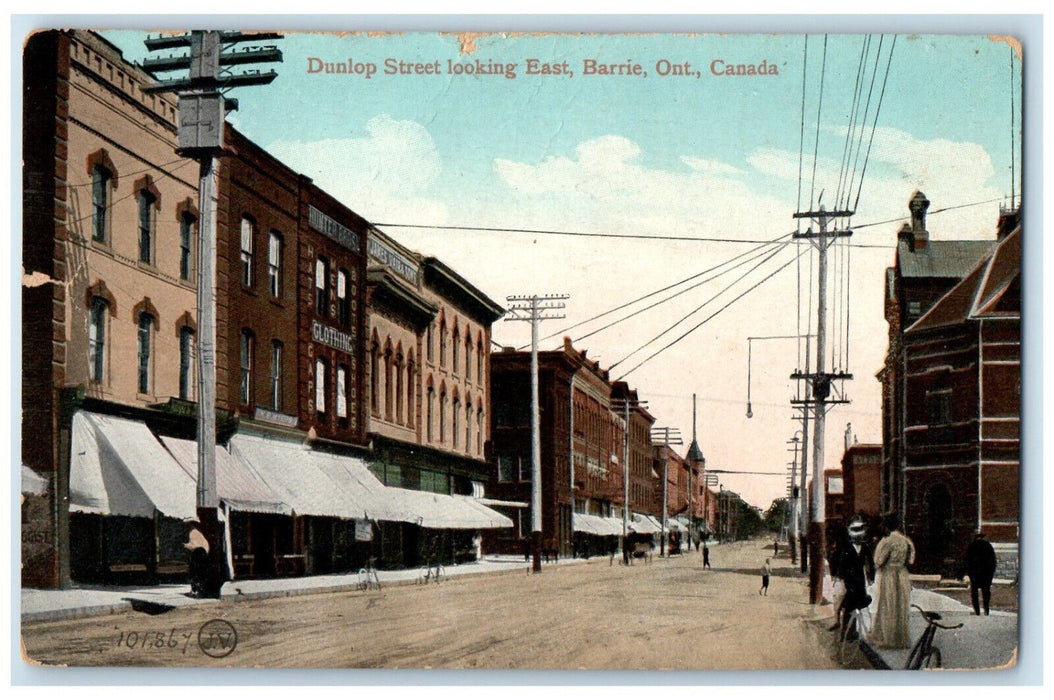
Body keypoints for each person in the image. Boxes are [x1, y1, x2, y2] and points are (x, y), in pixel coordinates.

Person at [870, 516, 916, 648]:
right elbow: (911, 560)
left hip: (889, 574)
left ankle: (888, 640)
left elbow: (878, 561)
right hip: (902, 574)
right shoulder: (906, 541)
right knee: (901, 606)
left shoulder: (887, 541)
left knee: (888, 605)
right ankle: (901, 640)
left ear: (887, 527)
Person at [965, 530, 997, 616]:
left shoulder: (971, 546)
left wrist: (969, 573)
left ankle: (977, 611)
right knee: (986, 591)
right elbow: (993, 561)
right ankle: (986, 609)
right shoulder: (988, 546)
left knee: (974, 592)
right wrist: (991, 573)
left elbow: (967, 561)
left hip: (975, 574)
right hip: (986, 573)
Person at [184, 518, 210, 598]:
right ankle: (198, 590)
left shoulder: (193, 533)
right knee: (200, 572)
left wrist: (186, 545)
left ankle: (196, 591)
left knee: (195, 572)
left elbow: (194, 546)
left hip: (198, 553)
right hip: (203, 553)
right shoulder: (199, 533)